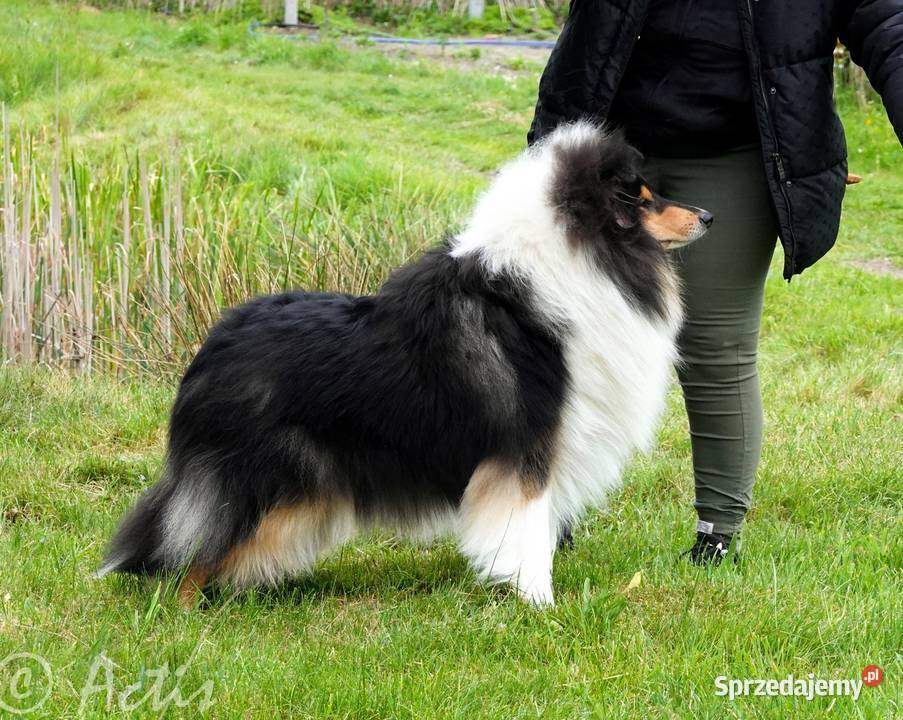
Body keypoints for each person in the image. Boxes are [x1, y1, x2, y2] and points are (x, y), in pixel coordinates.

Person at [528, 1, 903, 564]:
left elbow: (889, 26)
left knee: (714, 345)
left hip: (739, 153)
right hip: (605, 142)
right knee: (568, 337)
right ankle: (549, 510)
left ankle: (717, 532)